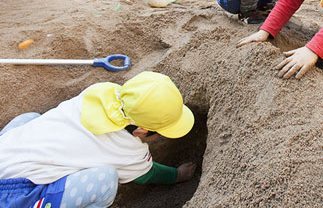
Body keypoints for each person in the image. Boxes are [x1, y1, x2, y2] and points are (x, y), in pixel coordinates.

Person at [0, 71, 196, 208]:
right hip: (15, 195)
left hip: (6, 153)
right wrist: (177, 175)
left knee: (29, 119)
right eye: (161, 133)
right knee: (106, 179)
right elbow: (147, 174)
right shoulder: (128, 151)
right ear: (141, 131)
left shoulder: (99, 92)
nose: (161, 137)